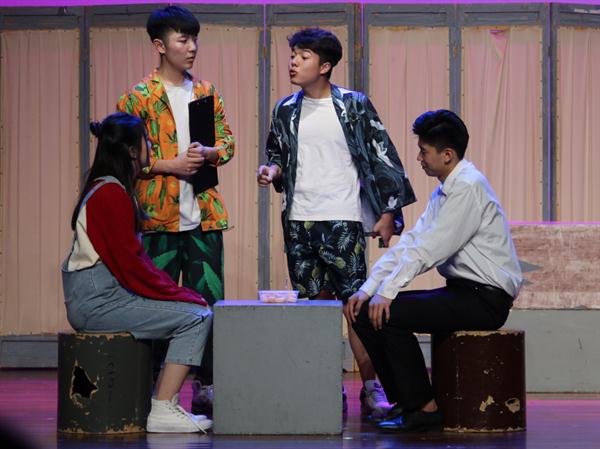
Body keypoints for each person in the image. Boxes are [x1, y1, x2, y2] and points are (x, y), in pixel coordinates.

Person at [257, 27, 416, 417]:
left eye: (304, 56)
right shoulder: (284, 108)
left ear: (325, 65)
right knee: (314, 305)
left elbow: (381, 155)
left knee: (354, 307)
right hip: (299, 220)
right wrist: (271, 171)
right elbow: (277, 154)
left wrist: (389, 212)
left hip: (342, 219)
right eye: (293, 55)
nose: (294, 62)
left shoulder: (353, 105)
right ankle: (324, 384)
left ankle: (372, 387)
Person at [345, 109, 523, 432]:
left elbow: (432, 249)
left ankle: (424, 407)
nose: (419, 158)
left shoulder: (469, 187)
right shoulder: (445, 190)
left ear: (447, 155)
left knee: (390, 315)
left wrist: (388, 292)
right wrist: (369, 288)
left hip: (486, 299)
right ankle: (405, 401)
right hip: (462, 292)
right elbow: (412, 242)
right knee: (363, 313)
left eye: (424, 151)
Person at [62, 112, 213, 433]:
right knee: (197, 317)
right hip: (98, 302)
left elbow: (133, 262)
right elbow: (131, 266)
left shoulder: (113, 188)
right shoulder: (109, 193)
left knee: (192, 309)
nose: (151, 145)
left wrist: (178, 294)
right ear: (132, 151)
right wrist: (181, 295)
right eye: (146, 139)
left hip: (104, 296)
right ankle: (164, 406)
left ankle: (164, 403)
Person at [117, 5, 235, 415]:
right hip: (158, 219)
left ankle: (206, 384)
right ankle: (153, 386)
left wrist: (211, 152)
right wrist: (170, 165)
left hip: (204, 215)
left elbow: (228, 143)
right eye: (183, 39)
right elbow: (125, 157)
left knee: (209, 301)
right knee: (156, 303)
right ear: (160, 45)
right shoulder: (138, 97)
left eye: (194, 39)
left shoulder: (205, 91)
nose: (192, 47)